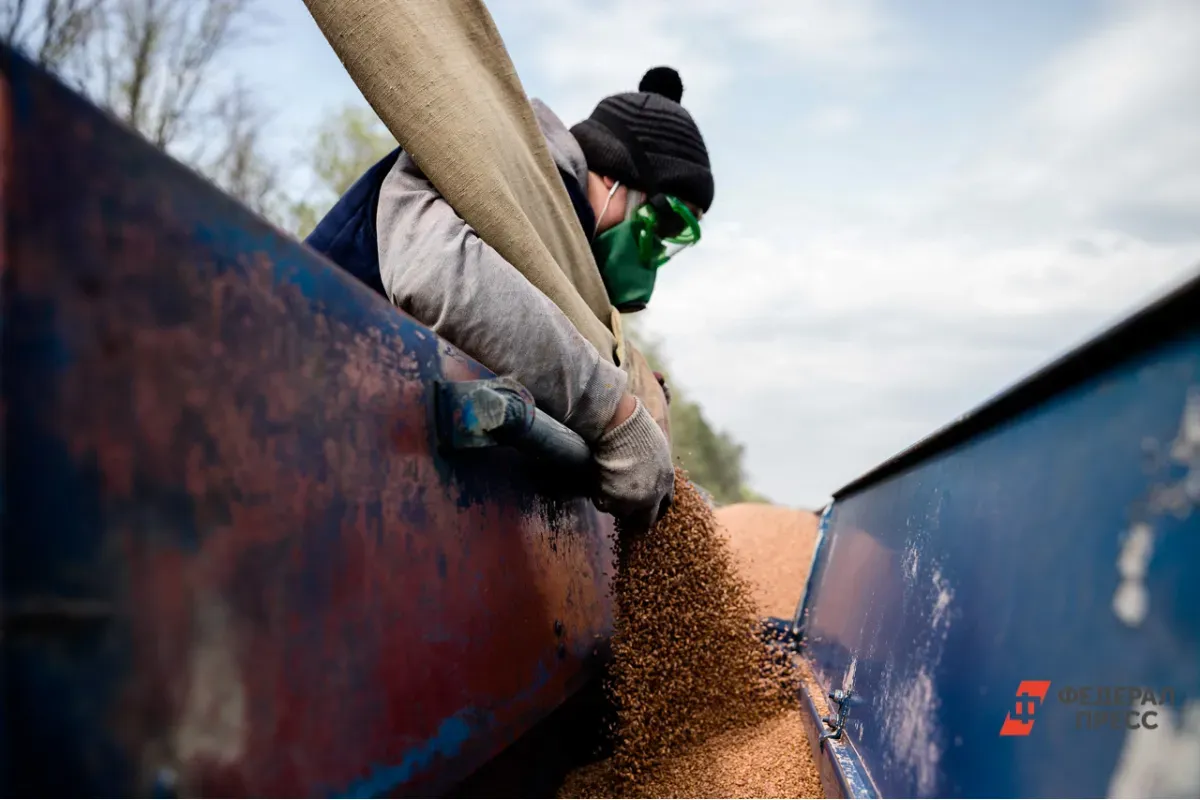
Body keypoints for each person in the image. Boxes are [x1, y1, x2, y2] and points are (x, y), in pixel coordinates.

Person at [306, 66, 713, 530]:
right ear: (613, 177)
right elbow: (434, 271)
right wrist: (612, 411)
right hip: (305, 413)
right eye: (663, 222)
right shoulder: (499, 159)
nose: (656, 248)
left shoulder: (569, 269)